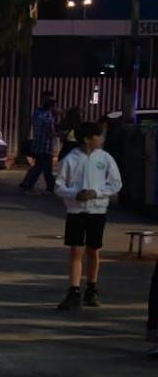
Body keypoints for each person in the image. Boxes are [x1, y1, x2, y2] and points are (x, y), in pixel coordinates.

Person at [55, 121, 122, 311]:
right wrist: (74, 194)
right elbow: (59, 185)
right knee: (76, 250)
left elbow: (116, 184)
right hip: (76, 211)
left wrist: (97, 193)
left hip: (97, 210)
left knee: (93, 249)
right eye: (98, 136)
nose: (101, 139)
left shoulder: (106, 158)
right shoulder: (71, 159)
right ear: (87, 139)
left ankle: (91, 288)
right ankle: (74, 290)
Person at [18, 93, 60, 194]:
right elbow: (49, 133)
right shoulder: (48, 117)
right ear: (51, 106)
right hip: (45, 146)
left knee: (41, 167)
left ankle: (28, 184)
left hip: (38, 144)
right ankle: (33, 185)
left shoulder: (37, 113)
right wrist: (59, 134)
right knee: (44, 168)